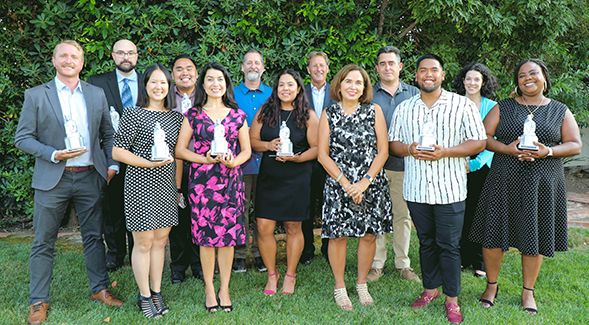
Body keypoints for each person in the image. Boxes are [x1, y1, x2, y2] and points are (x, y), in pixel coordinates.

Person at [15, 40, 123, 325]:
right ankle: (38, 301)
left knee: (93, 237)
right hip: (54, 178)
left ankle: (100, 290)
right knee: (43, 241)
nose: (69, 60)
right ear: (53, 60)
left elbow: (108, 134)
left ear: (82, 62)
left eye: (74, 56)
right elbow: (23, 138)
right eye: (63, 55)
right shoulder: (36, 95)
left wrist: (111, 165)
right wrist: (52, 154)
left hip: (90, 176)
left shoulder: (96, 94)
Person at [469, 58, 582, 314]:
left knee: (535, 235)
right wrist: (506, 149)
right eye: (521, 75)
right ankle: (491, 286)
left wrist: (549, 151)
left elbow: (575, 144)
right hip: (503, 178)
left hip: (542, 182)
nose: (527, 78)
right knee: (493, 233)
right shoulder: (504, 106)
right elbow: (483, 138)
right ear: (517, 81)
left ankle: (528, 292)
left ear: (544, 78)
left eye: (533, 73)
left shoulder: (559, 110)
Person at [389, 54, 487, 324]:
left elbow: (479, 142)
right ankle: (430, 289)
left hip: (450, 189)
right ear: (416, 76)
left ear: (443, 75)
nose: (428, 74)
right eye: (423, 71)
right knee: (427, 242)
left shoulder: (461, 105)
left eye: (434, 70)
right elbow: (393, 143)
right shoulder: (405, 108)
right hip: (417, 188)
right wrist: (409, 149)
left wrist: (447, 152)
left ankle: (452, 299)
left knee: (449, 245)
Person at [175, 62, 251, 313]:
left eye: (220, 79)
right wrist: (203, 159)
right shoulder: (193, 114)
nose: (215, 83)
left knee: (227, 239)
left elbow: (247, 151)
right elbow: (180, 150)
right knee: (207, 239)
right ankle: (209, 287)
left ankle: (225, 288)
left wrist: (234, 161)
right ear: (203, 84)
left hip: (230, 182)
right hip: (202, 183)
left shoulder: (238, 114)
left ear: (226, 84)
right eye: (210, 79)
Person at [317, 64, 393, 310]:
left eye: (358, 83)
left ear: (364, 88)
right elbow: (322, 155)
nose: (353, 86)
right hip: (339, 184)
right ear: (339, 85)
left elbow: (383, 151)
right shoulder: (328, 114)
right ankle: (340, 287)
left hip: (370, 184)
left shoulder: (374, 111)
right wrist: (348, 184)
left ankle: (361, 284)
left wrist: (364, 183)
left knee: (369, 234)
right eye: (348, 81)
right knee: (338, 236)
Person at [112, 64, 183, 319]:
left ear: (169, 86)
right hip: (140, 185)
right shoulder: (132, 114)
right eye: (154, 82)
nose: (158, 87)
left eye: (163, 82)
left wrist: (176, 188)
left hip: (165, 187)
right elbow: (117, 151)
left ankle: (156, 292)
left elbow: (178, 156)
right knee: (143, 243)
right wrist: (147, 163)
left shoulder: (176, 118)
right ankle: (143, 296)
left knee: (161, 242)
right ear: (145, 85)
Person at [250, 69, 319, 295]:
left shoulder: (308, 115)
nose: (285, 89)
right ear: (275, 88)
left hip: (297, 177)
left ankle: (290, 274)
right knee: (263, 227)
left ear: (299, 88)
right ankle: (272, 274)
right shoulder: (265, 111)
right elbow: (252, 140)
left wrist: (298, 157)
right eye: (281, 85)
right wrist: (268, 146)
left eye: (290, 85)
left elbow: (318, 148)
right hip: (270, 176)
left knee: (292, 226)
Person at [368, 46, 421, 283]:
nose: (387, 67)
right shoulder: (368, 94)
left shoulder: (415, 94)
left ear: (400, 67)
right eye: (383, 63)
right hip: (373, 166)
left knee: (402, 215)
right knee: (376, 215)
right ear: (377, 68)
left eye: (392, 63)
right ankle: (376, 264)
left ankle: (403, 263)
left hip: (404, 165)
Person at [87, 39, 139, 272]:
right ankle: (116, 254)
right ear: (112, 55)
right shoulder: (97, 83)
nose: (125, 57)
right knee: (113, 208)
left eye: (130, 53)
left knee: (139, 208)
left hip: (143, 157)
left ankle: (140, 250)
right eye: (120, 53)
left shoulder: (150, 81)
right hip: (112, 155)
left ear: (136, 56)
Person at [450, 62, 499, 278]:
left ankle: (479, 259)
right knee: (460, 211)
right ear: (463, 80)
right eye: (468, 78)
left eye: (476, 79)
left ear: (483, 82)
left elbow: (494, 139)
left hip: (482, 168)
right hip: (456, 166)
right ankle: (461, 257)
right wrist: (460, 162)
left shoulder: (491, 106)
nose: (472, 83)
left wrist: (474, 164)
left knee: (480, 213)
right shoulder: (453, 103)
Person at [232, 49, 271, 273]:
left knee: (263, 209)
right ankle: (239, 253)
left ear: (263, 68)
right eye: (249, 63)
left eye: (257, 63)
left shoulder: (273, 94)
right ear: (242, 67)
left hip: (267, 161)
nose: (253, 66)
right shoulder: (232, 93)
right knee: (241, 208)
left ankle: (259, 253)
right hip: (241, 161)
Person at [167, 54, 203, 284]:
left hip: (202, 164)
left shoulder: (207, 95)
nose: (184, 73)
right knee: (178, 216)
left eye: (189, 68)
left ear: (197, 73)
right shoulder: (165, 98)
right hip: (172, 165)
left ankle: (200, 265)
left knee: (199, 216)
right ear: (172, 75)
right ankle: (178, 266)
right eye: (179, 69)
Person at [301, 51, 335, 265]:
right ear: (308, 70)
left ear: (327, 68)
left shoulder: (338, 91)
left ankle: (328, 248)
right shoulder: (300, 92)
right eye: (314, 66)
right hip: (306, 158)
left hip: (332, 158)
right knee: (305, 205)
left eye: (322, 65)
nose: (318, 69)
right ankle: (306, 251)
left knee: (328, 205)